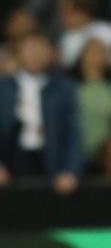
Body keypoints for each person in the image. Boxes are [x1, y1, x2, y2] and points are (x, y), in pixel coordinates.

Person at [0, 33, 82, 193]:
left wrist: (70, 171)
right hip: (11, 160)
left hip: (50, 162)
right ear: (18, 52)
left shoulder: (64, 88)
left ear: (50, 53)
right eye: (30, 49)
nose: (35, 55)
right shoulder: (3, 86)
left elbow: (72, 132)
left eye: (40, 49)